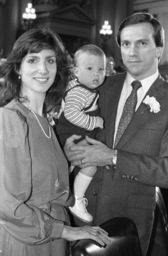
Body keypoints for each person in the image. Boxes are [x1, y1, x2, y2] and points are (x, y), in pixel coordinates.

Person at [64, 12, 168, 256]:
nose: (132, 52)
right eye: (125, 44)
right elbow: (68, 123)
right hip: (77, 213)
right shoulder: (100, 85)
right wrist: (67, 149)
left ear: (158, 49)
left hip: (127, 222)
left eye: (142, 43)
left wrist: (113, 157)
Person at [0, 27, 111, 256]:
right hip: (29, 240)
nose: (43, 69)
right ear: (18, 68)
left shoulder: (46, 120)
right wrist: (67, 231)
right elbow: (8, 205)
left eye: (50, 60)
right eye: (32, 60)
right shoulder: (11, 119)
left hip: (54, 237)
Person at [55, 44, 106, 223]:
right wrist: (94, 122)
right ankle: (76, 199)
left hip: (75, 136)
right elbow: (71, 113)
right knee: (90, 166)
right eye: (90, 68)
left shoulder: (79, 87)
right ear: (76, 71)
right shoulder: (80, 92)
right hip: (71, 136)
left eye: (101, 69)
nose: (96, 74)